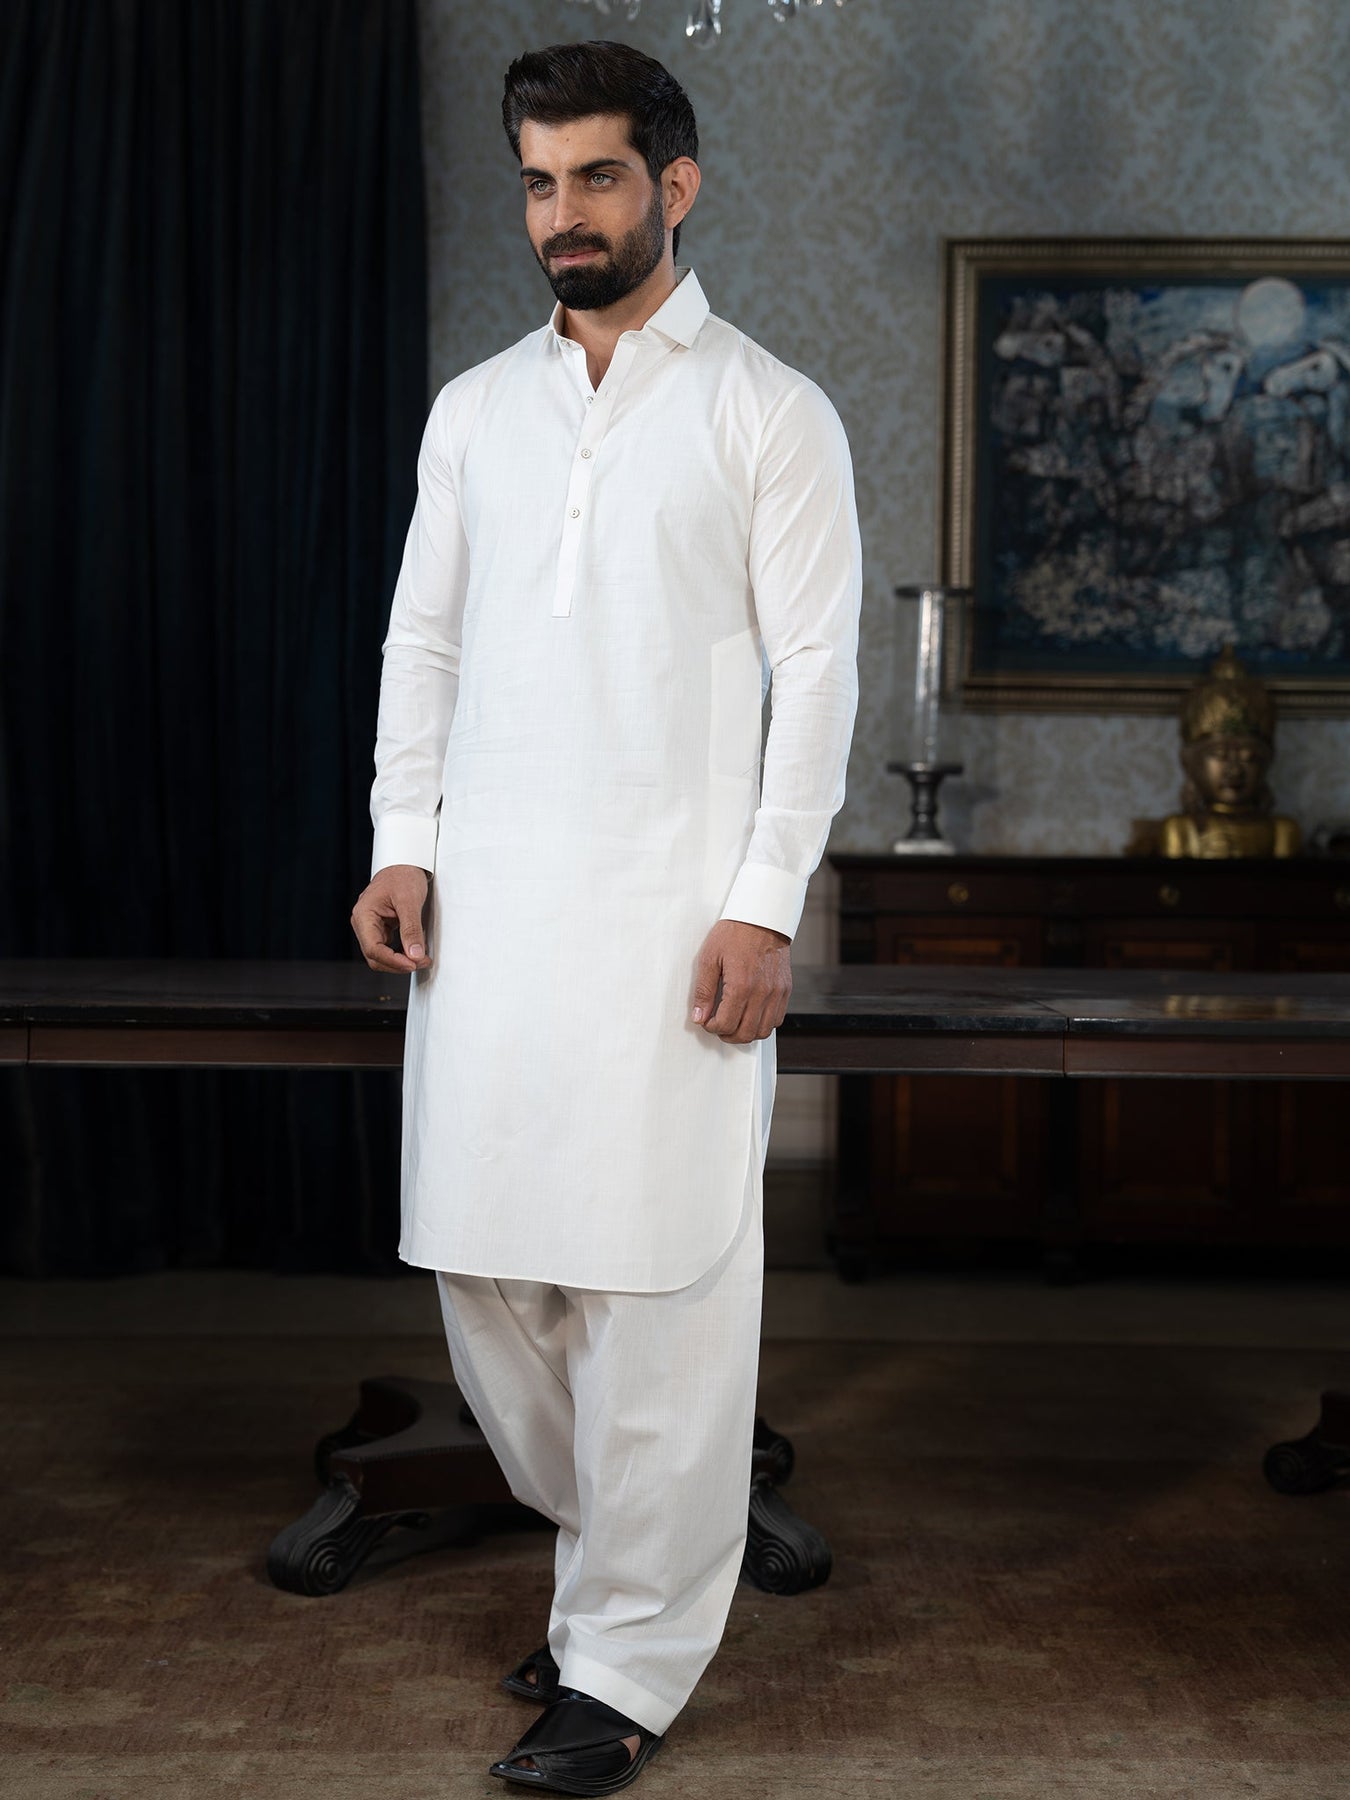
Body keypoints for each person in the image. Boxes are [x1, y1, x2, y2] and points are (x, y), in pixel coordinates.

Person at [351, 39, 861, 1795]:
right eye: (536, 181)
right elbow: (423, 641)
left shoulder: (769, 412)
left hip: (671, 923)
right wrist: (401, 839)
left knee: (656, 1295)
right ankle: (619, 1575)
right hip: (491, 914)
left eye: (594, 177)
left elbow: (818, 675)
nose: (559, 213)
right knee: (486, 1267)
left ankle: (627, 1661)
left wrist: (764, 906)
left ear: (674, 186)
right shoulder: (475, 410)